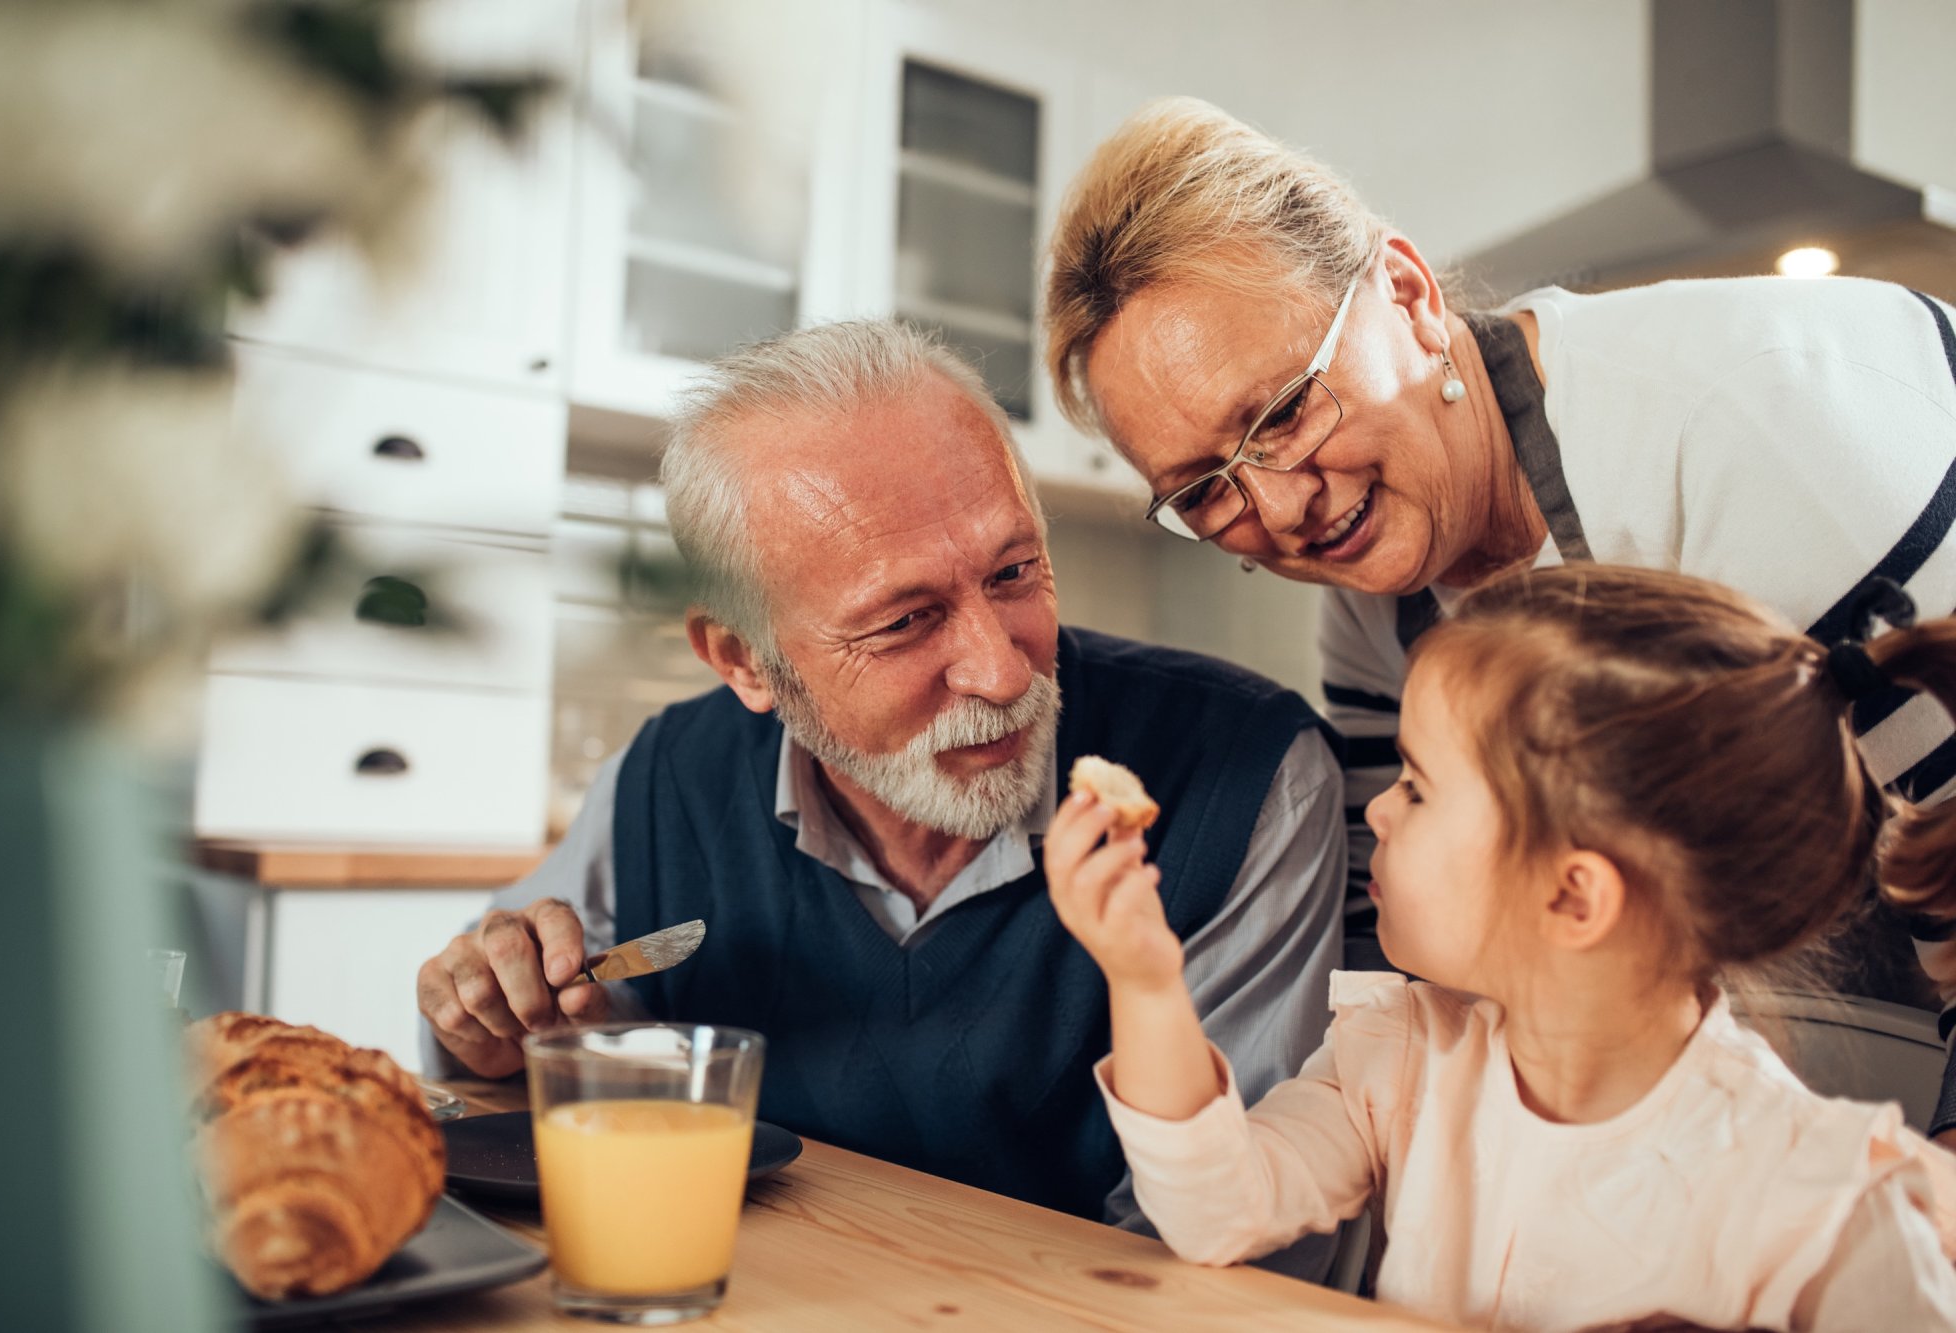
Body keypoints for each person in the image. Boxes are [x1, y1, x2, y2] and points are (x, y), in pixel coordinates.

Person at [1041, 95, 1956, 1110]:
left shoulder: (1752, 437)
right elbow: (1407, 934)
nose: (1281, 506)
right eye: (1205, 489)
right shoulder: (1378, 605)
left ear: (1406, 292)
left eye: (1284, 411)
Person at [415, 319, 1347, 1268]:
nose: (999, 671)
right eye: (905, 621)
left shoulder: (1248, 778)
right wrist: (486, 1019)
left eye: (1015, 570)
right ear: (745, 659)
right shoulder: (666, 777)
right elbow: (492, 1057)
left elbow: (1239, 1264)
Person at [1047, 563, 1956, 1330]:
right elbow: (1214, 1210)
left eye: (1418, 784)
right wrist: (1145, 979)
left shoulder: (1823, 1206)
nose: (1379, 809)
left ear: (1572, 893)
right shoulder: (1397, 1053)